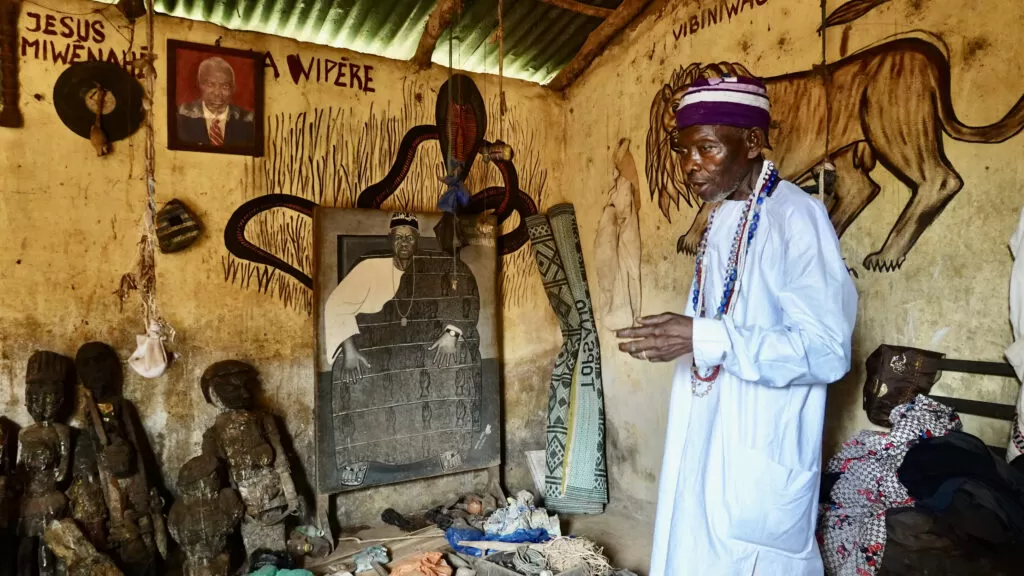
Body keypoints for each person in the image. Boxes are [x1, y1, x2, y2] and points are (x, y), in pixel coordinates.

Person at [615, 75, 857, 575]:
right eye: (685, 152)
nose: (690, 166)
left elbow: (827, 349)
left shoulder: (799, 217)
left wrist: (701, 335)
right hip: (707, 429)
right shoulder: (721, 218)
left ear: (750, 142)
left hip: (760, 444)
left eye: (706, 148)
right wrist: (683, 338)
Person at [322, 212, 479, 381]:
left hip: (416, 346)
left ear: (417, 239)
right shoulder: (368, 267)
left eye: (409, 238)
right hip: (377, 345)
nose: (404, 243)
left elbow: (464, 290)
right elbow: (336, 306)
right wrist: (349, 350)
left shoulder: (432, 265)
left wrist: (452, 333)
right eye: (398, 237)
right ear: (390, 239)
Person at [176, 56, 254, 147]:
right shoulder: (180, 116)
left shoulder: (249, 121)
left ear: (233, 89)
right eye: (210, 85)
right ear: (199, 84)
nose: (217, 93)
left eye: (225, 86)